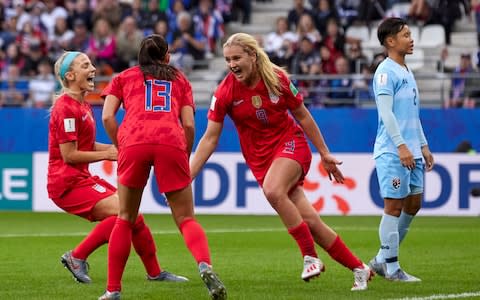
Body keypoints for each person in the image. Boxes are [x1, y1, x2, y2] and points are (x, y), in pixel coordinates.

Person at [190, 32, 373, 291]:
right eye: (227, 59)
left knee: (273, 190)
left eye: (237, 58)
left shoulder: (278, 79)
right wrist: (188, 175)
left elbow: (304, 116)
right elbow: (209, 138)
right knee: (311, 223)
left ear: (252, 56)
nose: (231, 64)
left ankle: (310, 257)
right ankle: (359, 268)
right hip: (261, 161)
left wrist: (324, 152)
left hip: (291, 145)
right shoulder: (224, 92)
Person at [100, 34, 227, 300]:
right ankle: (204, 264)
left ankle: (113, 290)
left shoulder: (123, 77)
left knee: (125, 218)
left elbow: (107, 116)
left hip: (134, 140)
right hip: (170, 140)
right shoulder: (179, 79)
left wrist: (120, 143)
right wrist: (185, 152)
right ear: (167, 56)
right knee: (186, 219)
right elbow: (190, 124)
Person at [47, 51, 187, 286]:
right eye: (85, 65)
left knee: (132, 216)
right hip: (66, 184)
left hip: (81, 178)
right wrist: (108, 154)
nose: (92, 68)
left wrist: (118, 147)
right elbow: (69, 155)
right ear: (70, 75)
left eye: (91, 63)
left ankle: (155, 273)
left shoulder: (82, 105)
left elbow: (85, 145)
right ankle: (77, 256)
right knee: (125, 213)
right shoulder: (65, 108)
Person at [369, 17, 435, 282]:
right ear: (390, 41)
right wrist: (402, 146)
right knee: (394, 206)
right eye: (406, 34)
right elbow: (386, 114)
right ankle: (392, 268)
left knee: (413, 204)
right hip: (394, 151)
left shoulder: (406, 70)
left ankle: (380, 260)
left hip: (413, 150)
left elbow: (413, 114)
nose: (411, 39)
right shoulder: (385, 72)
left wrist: (423, 145)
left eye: (411, 34)